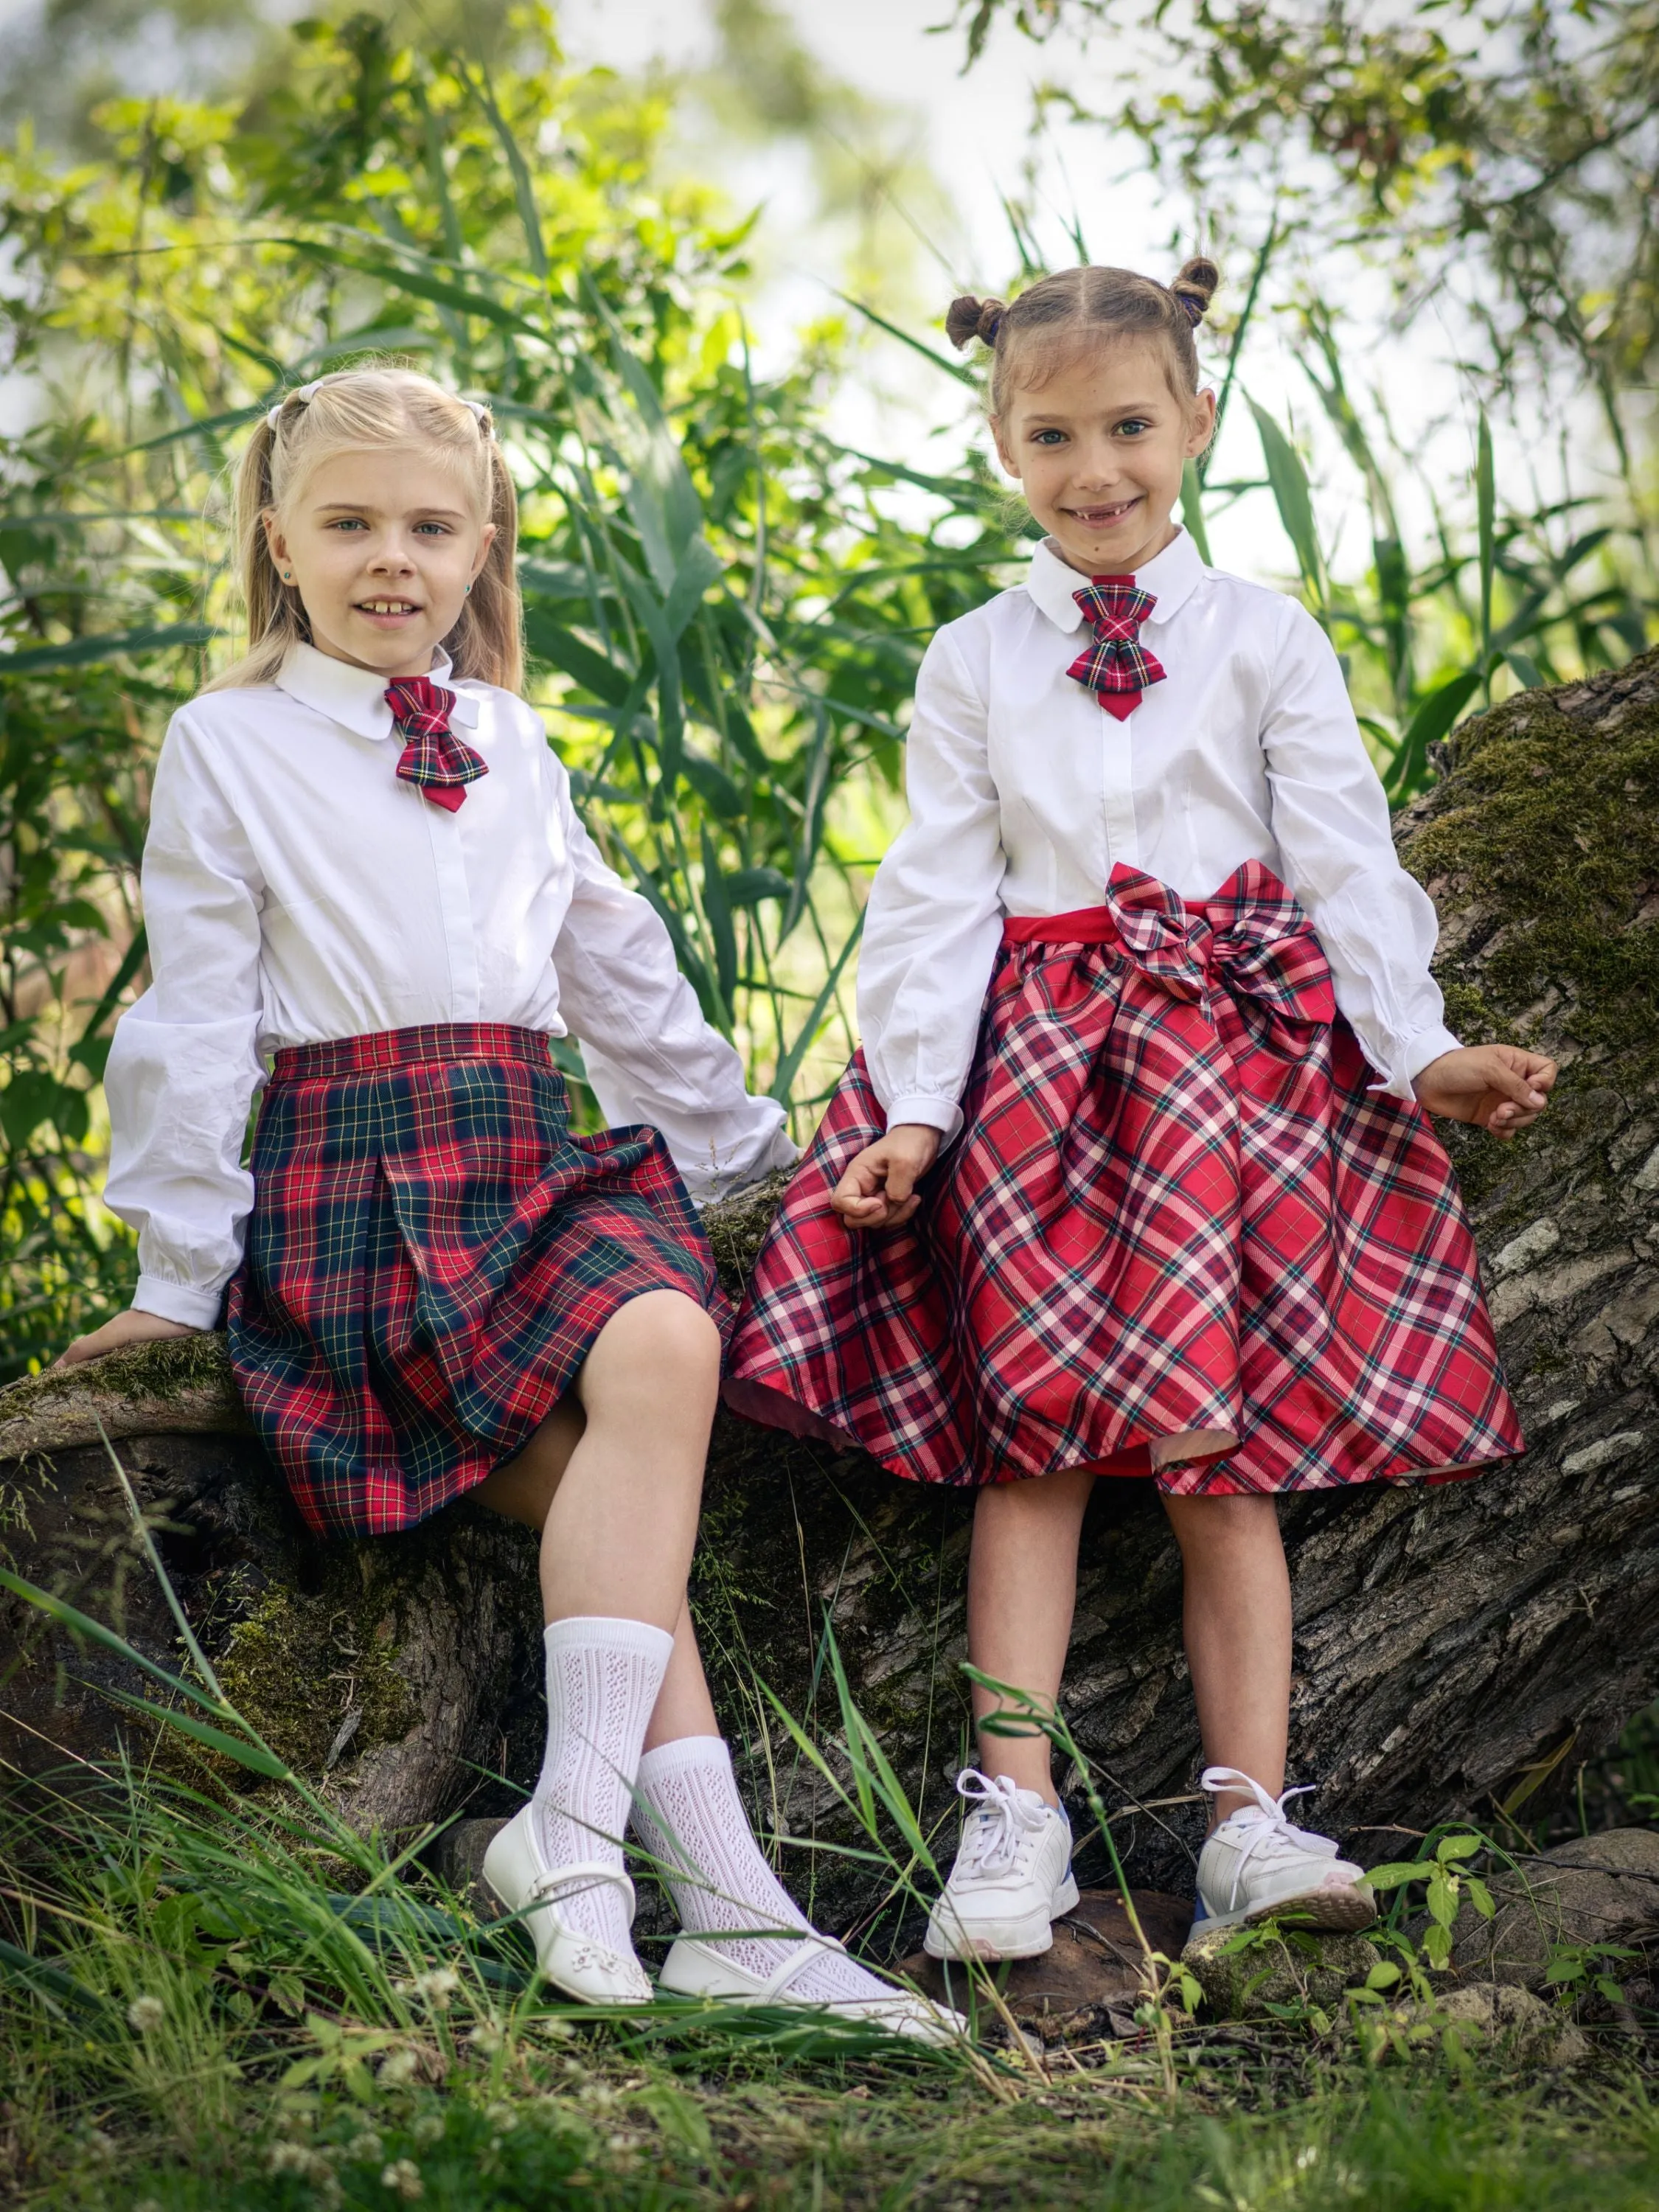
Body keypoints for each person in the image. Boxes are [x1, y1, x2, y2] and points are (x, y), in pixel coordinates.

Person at [58, 365, 953, 2037]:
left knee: (666, 1345)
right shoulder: (231, 739)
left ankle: (584, 1845)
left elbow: (608, 956)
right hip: (362, 1186)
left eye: (427, 527)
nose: (389, 560)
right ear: (279, 542)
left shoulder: (515, 737)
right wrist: (180, 1278)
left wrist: (741, 1149)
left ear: (483, 550)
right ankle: (729, 1911)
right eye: (348, 526)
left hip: (531, 1156)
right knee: (624, 1525)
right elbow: (189, 1011)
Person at [725, 262, 1554, 1958]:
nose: (1095, 468)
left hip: (1230, 1087)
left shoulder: (1266, 636)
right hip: (1040, 1080)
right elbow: (939, 895)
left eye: (1127, 426)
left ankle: (1248, 1822)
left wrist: (1419, 1048)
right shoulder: (972, 661)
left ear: (1196, 420)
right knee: (1029, 1455)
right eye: (1052, 435)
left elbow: (1343, 856)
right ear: (998, 444)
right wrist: (911, 1108)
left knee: (1214, 1461)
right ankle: (1012, 1823)